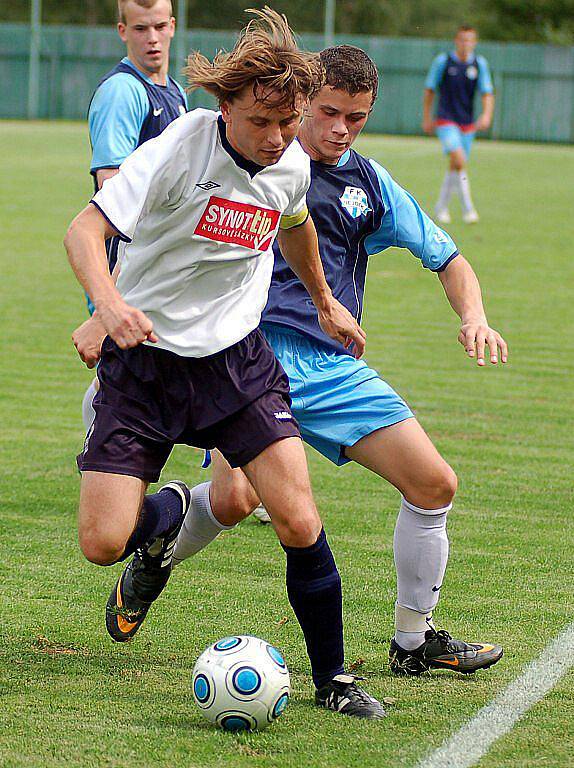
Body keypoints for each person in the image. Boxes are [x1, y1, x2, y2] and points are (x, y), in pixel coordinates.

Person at [66, 9, 386, 720]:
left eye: (286, 122)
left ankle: (332, 680)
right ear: (225, 106)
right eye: (261, 122)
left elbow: (295, 221)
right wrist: (109, 304)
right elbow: (84, 231)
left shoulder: (290, 161)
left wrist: (326, 301)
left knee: (298, 518)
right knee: (101, 543)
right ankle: (169, 515)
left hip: (236, 365)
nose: (276, 140)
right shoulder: (178, 150)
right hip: (142, 365)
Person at [167, 45, 507, 678]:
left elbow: (448, 257)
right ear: (301, 101)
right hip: (249, 358)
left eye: (356, 118)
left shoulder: (370, 184)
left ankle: (414, 640)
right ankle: (156, 555)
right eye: (327, 113)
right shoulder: (256, 163)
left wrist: (474, 316)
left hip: (332, 368)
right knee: (234, 499)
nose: (339, 130)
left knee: (434, 484)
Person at [82, 0, 187, 429]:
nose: (152, 38)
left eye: (159, 26)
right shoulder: (123, 91)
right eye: (141, 28)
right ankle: (104, 468)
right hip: (128, 265)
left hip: (162, 260)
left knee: (139, 374)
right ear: (122, 30)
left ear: (173, 26)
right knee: (126, 375)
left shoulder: (174, 92)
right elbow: (113, 187)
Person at [423, 25, 494, 224]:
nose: (465, 44)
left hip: (467, 124)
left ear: (475, 42)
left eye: (469, 40)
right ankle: (468, 209)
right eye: (462, 39)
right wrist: (427, 117)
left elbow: (487, 92)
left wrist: (487, 115)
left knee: (456, 166)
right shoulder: (443, 61)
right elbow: (430, 89)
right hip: (446, 120)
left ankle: (441, 208)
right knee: (459, 160)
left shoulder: (479, 64)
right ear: (456, 40)